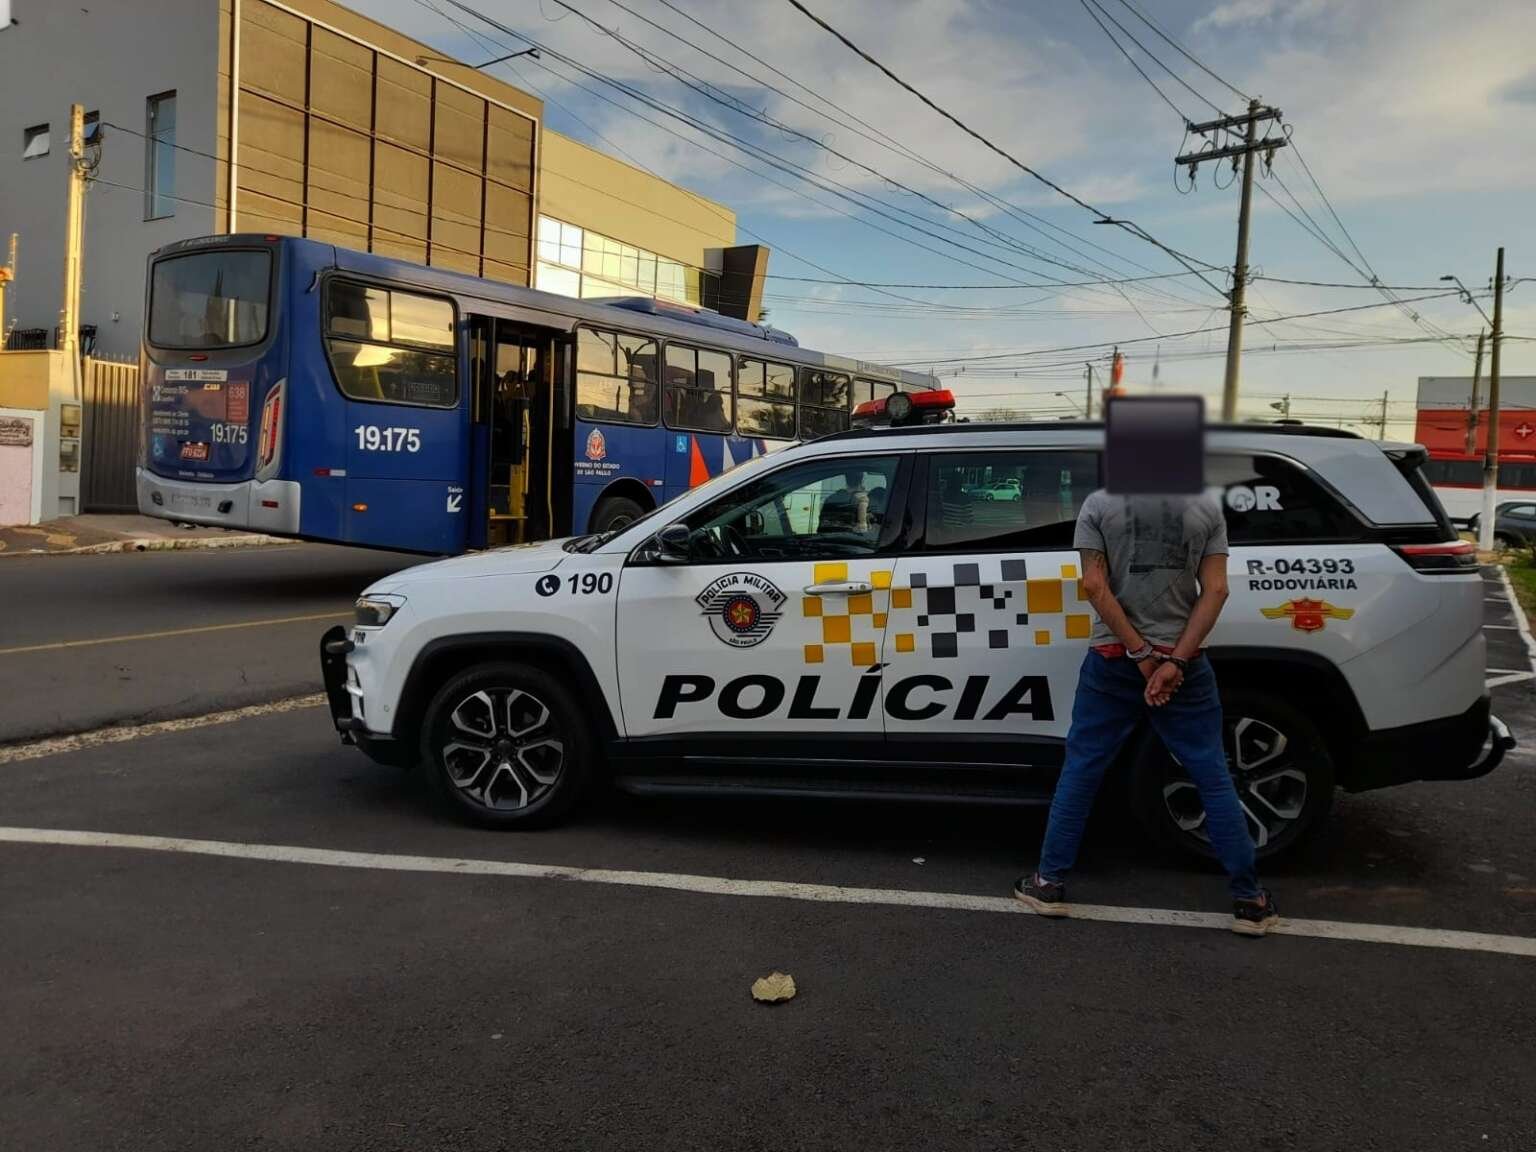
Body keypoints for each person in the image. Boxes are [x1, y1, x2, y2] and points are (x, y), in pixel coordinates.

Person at [1014, 490, 1280, 937]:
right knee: (1213, 776)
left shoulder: (1099, 504)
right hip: (1185, 665)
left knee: (1082, 770)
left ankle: (1048, 883)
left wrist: (1140, 653)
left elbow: (1094, 585)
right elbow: (1216, 589)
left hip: (1114, 659)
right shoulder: (1205, 505)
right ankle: (1250, 901)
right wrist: (1175, 660)